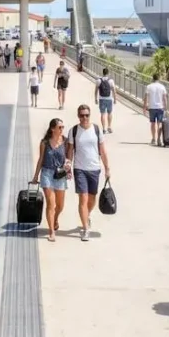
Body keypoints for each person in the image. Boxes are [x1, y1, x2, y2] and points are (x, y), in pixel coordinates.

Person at [66, 104, 110, 242]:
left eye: (86, 115)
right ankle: (85, 228)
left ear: (89, 115)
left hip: (94, 169)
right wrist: (68, 165)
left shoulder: (96, 129)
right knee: (83, 199)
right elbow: (70, 151)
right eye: (81, 115)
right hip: (80, 169)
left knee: (92, 199)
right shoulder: (73, 131)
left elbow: (102, 150)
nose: (84, 118)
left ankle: (87, 215)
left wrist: (107, 168)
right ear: (78, 116)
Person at [31, 117, 70, 241]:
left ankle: (55, 219)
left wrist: (68, 166)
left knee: (60, 205)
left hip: (60, 174)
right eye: (60, 127)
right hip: (47, 173)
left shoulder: (66, 142)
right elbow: (41, 159)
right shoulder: (45, 143)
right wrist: (36, 176)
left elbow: (69, 158)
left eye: (63, 127)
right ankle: (51, 232)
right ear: (53, 129)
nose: (62, 129)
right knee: (50, 203)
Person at [145, 73, 168, 146]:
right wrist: (166, 107)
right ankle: (159, 139)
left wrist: (145, 107)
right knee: (159, 124)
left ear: (153, 78)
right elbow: (164, 98)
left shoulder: (149, 86)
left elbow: (146, 97)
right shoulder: (162, 87)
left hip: (151, 107)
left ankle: (153, 138)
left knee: (152, 123)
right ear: (159, 78)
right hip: (160, 107)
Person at [96, 68, 116, 133]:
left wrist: (95, 99)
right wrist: (115, 99)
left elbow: (96, 90)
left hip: (101, 99)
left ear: (103, 73)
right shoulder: (111, 81)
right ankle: (109, 127)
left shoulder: (99, 80)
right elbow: (114, 91)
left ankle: (104, 129)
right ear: (108, 73)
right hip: (109, 99)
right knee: (109, 113)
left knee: (102, 114)